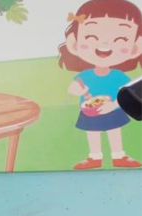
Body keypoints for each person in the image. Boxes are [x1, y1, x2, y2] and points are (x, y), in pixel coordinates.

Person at [59, 0, 142, 170]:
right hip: (89, 111)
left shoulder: (119, 76)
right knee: (93, 134)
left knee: (114, 132)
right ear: (73, 42)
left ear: (135, 47)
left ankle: (119, 155)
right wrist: (77, 89)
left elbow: (130, 95)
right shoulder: (84, 75)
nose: (104, 45)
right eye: (91, 37)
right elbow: (73, 88)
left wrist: (112, 105)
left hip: (113, 109)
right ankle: (94, 157)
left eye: (121, 39)